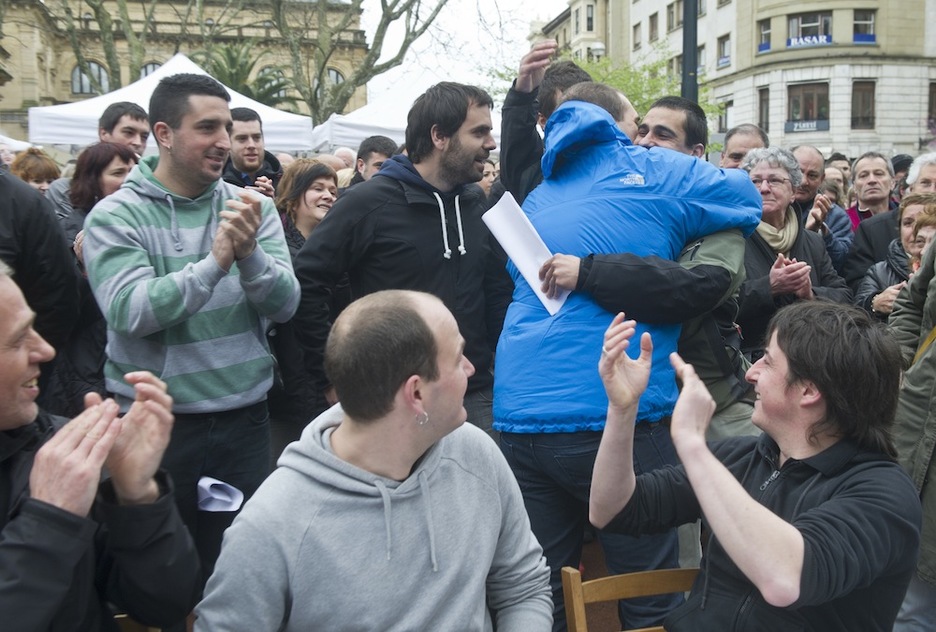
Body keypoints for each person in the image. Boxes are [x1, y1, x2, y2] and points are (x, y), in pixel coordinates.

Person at [495, 82, 762, 631]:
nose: (644, 138)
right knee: (649, 590)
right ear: (618, 125)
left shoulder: (541, 192)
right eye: (638, 126)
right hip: (612, 413)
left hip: (520, 415)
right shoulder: (655, 169)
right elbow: (746, 196)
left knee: (542, 589)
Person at [195, 290, 552, 631]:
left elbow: (523, 588)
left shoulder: (476, 454)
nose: (471, 368)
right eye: (458, 358)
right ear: (416, 392)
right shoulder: (272, 526)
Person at [82, 73, 300, 590]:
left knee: (239, 570)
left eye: (227, 127)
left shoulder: (251, 208)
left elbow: (286, 304)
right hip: (156, 428)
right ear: (163, 133)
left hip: (244, 423)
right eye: (207, 128)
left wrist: (249, 257)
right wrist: (215, 263)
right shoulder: (115, 215)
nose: (225, 141)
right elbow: (129, 310)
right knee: (155, 578)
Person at [590, 301, 920, 631]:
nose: (751, 373)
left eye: (768, 361)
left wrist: (692, 445)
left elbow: (785, 580)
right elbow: (612, 510)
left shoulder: (883, 495)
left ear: (809, 390)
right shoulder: (744, 456)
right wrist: (622, 410)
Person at [293, 82, 512, 435]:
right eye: (479, 132)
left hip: (474, 396)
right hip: (391, 402)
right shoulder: (367, 203)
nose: (491, 143)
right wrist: (331, 377)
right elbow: (306, 282)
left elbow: (494, 289)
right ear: (439, 136)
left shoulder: (474, 203)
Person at [0, 260, 201, 630]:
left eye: (34, 328)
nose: (45, 350)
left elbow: (166, 604)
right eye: (17, 340)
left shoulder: (57, 452)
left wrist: (138, 498)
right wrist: (48, 523)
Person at [43, 142, 139, 418]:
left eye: (133, 172)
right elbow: (60, 309)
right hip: (87, 373)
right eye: (118, 173)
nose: (128, 180)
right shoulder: (67, 232)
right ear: (92, 180)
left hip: (132, 365)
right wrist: (87, 269)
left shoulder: (141, 226)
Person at [737, 147, 851, 360]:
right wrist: (768, 287)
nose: (764, 188)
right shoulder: (733, 239)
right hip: (752, 363)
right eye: (755, 181)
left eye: (774, 180)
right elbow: (718, 304)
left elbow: (844, 297)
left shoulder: (813, 241)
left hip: (811, 358)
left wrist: (810, 294)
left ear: (793, 192)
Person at [268, 158, 341, 454]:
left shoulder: (337, 246)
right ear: (294, 195)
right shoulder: (277, 249)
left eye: (333, 191)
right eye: (317, 188)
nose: (328, 196)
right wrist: (326, 380)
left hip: (329, 369)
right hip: (297, 377)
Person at [499, 39, 592, 204]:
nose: (580, 119)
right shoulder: (532, 171)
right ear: (543, 120)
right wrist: (521, 98)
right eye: (567, 112)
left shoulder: (616, 163)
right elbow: (517, 141)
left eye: (589, 109)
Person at [47, 101, 150, 222]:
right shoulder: (64, 190)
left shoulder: (150, 185)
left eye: (144, 137)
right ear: (104, 133)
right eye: (129, 133)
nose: (137, 142)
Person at [844, 153, 934, 290]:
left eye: (879, 174)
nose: (932, 190)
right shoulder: (872, 229)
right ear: (911, 188)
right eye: (925, 183)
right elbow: (857, 284)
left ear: (893, 182)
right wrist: (876, 297)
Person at [855, 193, 936, 320]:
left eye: (923, 221)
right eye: (908, 223)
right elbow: (855, 312)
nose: (915, 230)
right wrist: (874, 303)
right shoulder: (879, 272)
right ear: (899, 229)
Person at [790, 145, 852, 272]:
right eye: (798, 172)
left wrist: (822, 234)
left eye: (812, 175)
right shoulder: (771, 207)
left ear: (822, 179)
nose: (803, 181)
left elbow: (842, 261)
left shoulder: (835, 215)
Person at [221, 107, 282, 197]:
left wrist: (271, 203)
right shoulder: (216, 186)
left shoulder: (287, 182)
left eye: (256, 137)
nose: (251, 145)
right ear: (228, 142)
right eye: (242, 139)